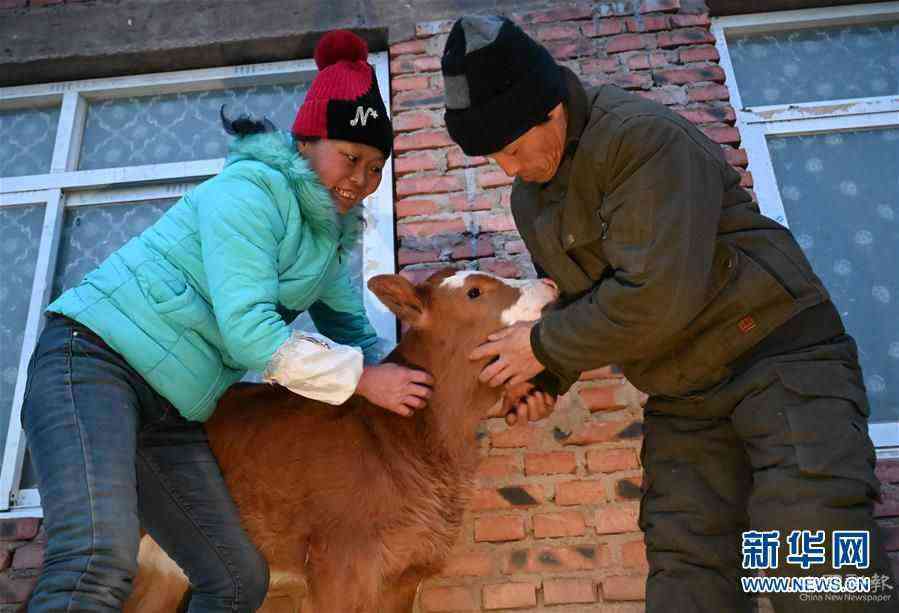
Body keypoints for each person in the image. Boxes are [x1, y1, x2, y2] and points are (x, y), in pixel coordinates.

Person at [441, 15, 896, 612]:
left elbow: (657, 295)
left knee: (808, 550)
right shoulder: (532, 200)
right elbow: (585, 300)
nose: (508, 169)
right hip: (684, 396)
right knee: (687, 575)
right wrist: (546, 378)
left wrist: (542, 346)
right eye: (494, 158)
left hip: (778, 358)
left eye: (513, 148)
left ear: (549, 108)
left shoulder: (641, 139)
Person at [21, 30, 434, 612]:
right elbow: (250, 333)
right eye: (351, 157)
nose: (361, 180)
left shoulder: (327, 245)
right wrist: (366, 382)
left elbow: (360, 338)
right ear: (308, 142)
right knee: (97, 559)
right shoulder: (251, 194)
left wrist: (422, 377)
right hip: (89, 367)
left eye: (375, 168)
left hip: (168, 412)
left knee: (236, 578)